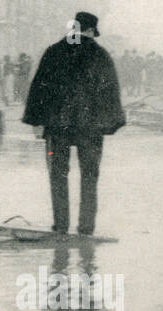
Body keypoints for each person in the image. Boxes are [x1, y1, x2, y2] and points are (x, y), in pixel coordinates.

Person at [22, 12, 126, 235]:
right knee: (90, 175)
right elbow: (110, 91)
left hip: (57, 126)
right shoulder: (100, 55)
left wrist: (36, 121)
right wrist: (110, 124)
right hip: (90, 127)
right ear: (90, 31)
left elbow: (39, 86)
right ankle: (86, 227)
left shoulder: (53, 51)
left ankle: (61, 226)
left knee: (58, 174)